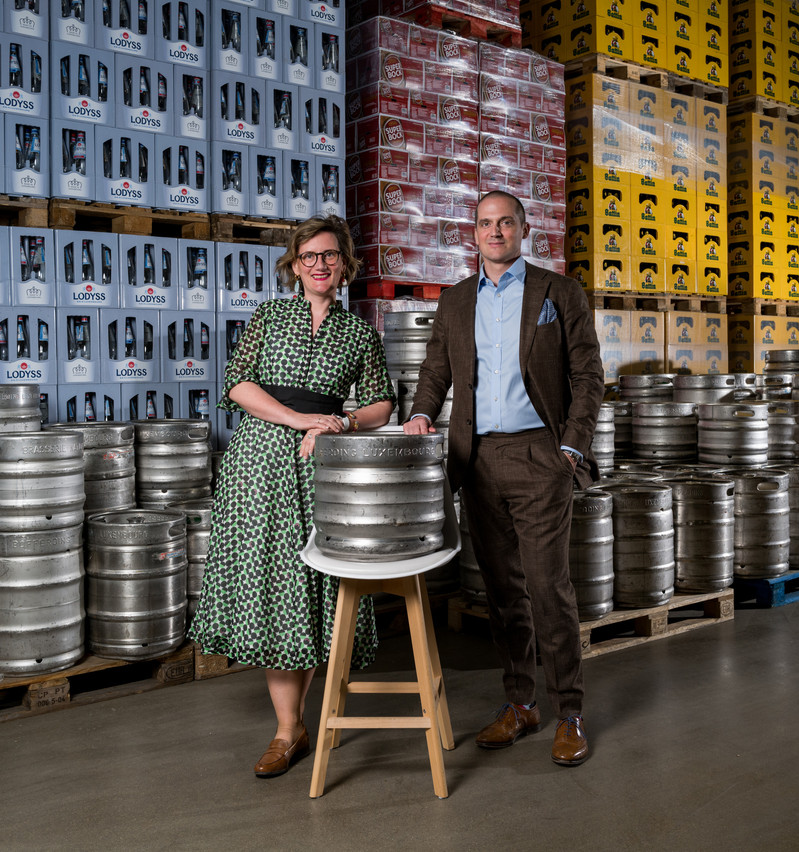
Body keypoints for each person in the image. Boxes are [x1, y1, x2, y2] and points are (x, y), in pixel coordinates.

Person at [190, 215, 396, 778]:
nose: (320, 265)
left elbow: (382, 404)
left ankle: (302, 721)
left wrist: (340, 424)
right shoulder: (271, 316)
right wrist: (300, 417)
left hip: (318, 468)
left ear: (345, 263)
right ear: (294, 265)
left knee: (308, 588)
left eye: (329, 255)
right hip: (258, 465)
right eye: (308, 256)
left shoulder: (359, 333)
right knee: (272, 586)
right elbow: (237, 384)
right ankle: (287, 731)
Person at [403, 191, 604, 766]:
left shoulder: (558, 293)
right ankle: (521, 703)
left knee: (548, 589)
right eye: (485, 224)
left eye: (505, 222)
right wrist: (421, 413)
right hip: (477, 460)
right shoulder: (457, 299)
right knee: (502, 594)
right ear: (474, 234)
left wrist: (570, 447)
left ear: (523, 229)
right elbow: (435, 368)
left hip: (541, 457)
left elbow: (588, 375)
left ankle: (570, 711)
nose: (495, 232)